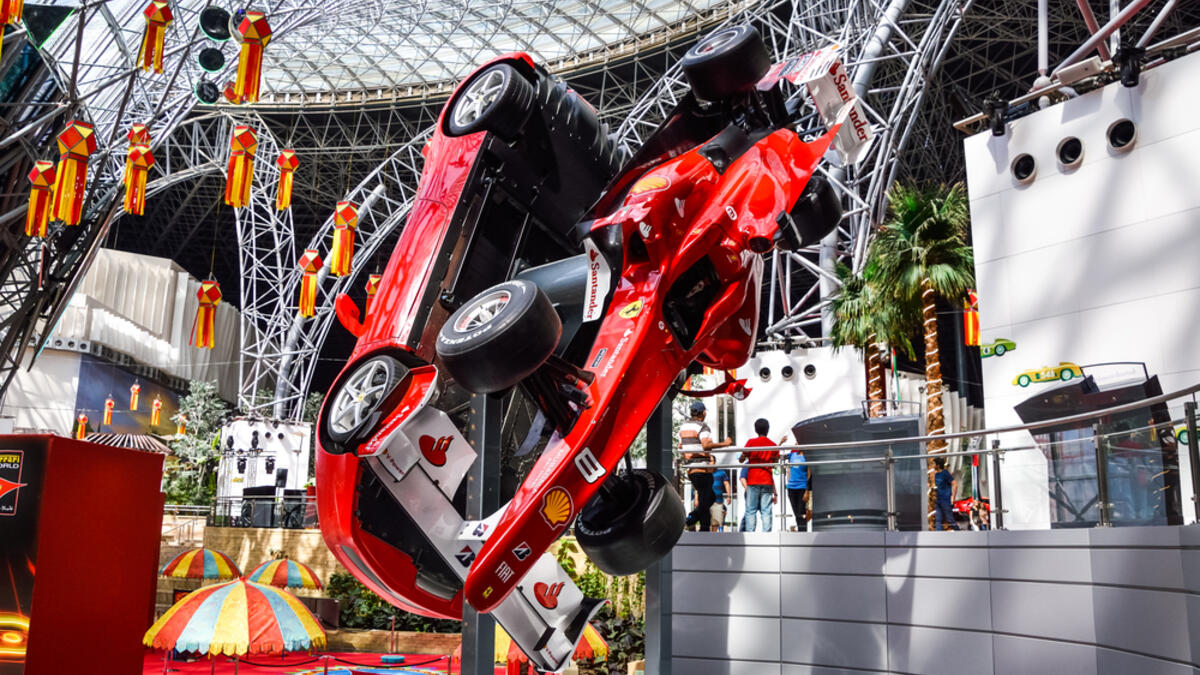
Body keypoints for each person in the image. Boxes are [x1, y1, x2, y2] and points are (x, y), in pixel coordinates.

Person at [680, 400, 732, 531]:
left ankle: (703, 527)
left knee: (705, 498)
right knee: (709, 498)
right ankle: (691, 519)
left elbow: (680, 446)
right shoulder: (702, 426)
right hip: (702, 468)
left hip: (691, 469)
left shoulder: (683, 427)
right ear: (702, 413)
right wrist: (725, 444)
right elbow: (706, 445)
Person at [740, 418, 780, 532]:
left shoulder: (751, 443)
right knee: (766, 510)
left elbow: (742, 459)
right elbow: (775, 463)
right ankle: (766, 534)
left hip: (753, 480)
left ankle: (750, 534)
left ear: (755, 429)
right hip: (767, 480)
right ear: (768, 429)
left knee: (750, 510)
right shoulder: (773, 445)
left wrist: (746, 457)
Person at [785, 438, 809, 531]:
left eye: (798, 442)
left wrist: (807, 490)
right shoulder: (792, 455)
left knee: (801, 512)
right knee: (796, 514)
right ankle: (801, 532)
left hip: (802, 488)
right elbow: (777, 456)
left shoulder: (807, 457)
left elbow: (809, 473)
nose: (795, 443)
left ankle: (803, 533)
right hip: (791, 488)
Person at [933, 457, 959, 531]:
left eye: (934, 464)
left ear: (938, 465)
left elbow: (955, 484)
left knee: (950, 520)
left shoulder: (945, 473)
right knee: (938, 520)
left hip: (946, 500)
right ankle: (939, 539)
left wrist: (952, 498)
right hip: (939, 500)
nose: (932, 466)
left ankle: (959, 533)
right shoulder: (936, 474)